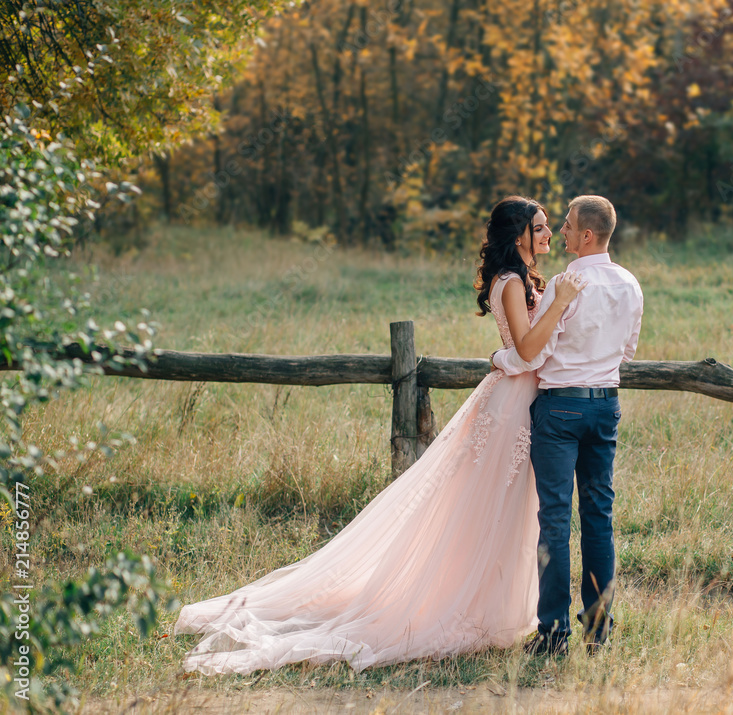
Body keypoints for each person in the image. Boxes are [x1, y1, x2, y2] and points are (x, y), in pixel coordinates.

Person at [173, 196, 586, 674]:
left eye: (549, 227)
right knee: (488, 508)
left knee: (506, 510)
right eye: (540, 227)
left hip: (520, 399)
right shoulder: (512, 283)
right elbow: (530, 349)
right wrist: (559, 304)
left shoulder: (522, 280)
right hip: (512, 408)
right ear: (519, 235)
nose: (549, 234)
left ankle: (494, 604)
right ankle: (456, 604)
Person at [491, 195, 643, 656]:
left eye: (568, 224)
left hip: (560, 410)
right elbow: (628, 351)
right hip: (606, 407)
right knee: (600, 518)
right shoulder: (630, 284)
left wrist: (500, 358)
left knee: (554, 520)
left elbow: (532, 353)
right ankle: (599, 631)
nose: (560, 230)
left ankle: (554, 633)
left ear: (588, 236)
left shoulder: (565, 282)